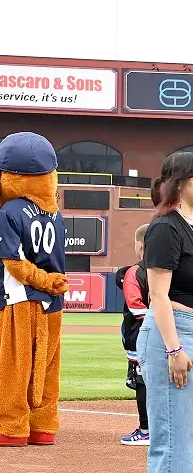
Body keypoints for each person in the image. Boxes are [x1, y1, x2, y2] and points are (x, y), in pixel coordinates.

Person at [137, 151, 193, 472]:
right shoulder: (165, 227)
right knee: (178, 442)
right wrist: (173, 348)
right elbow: (158, 295)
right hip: (177, 333)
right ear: (179, 182)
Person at [0, 132, 69, 447]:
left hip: (19, 300)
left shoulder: (9, 210)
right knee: (47, 367)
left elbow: (14, 263)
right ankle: (43, 427)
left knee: (14, 367)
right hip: (54, 303)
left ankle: (11, 428)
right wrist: (53, 283)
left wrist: (43, 280)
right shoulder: (55, 213)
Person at [118, 224, 151, 446]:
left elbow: (135, 306)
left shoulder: (135, 272)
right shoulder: (173, 268)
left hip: (140, 335)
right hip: (174, 333)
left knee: (142, 381)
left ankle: (146, 429)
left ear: (139, 246)